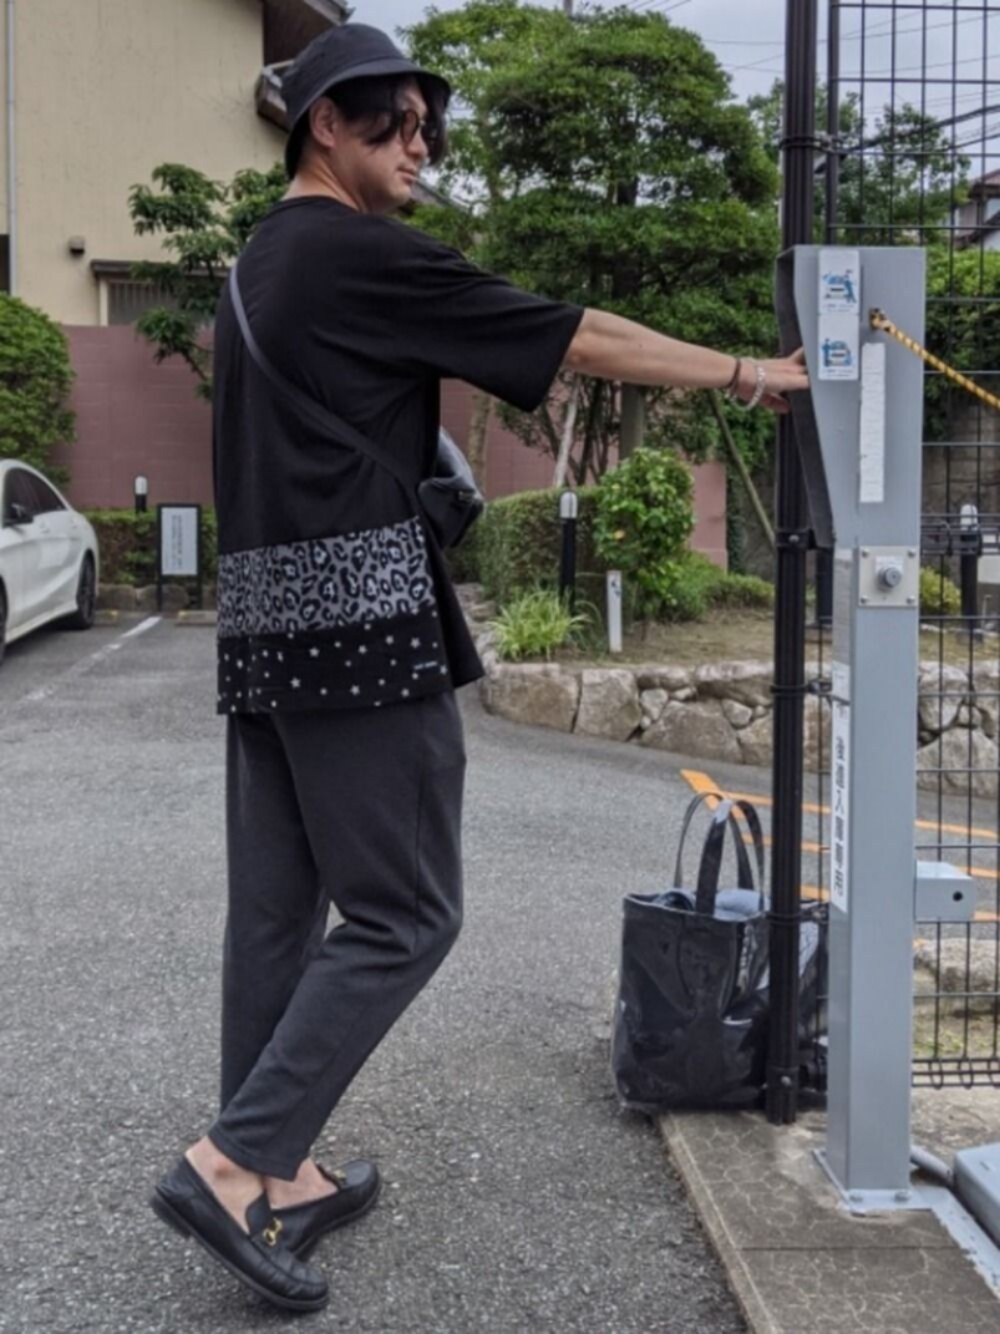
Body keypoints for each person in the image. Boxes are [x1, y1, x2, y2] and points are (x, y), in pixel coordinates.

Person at [150, 22, 809, 1314]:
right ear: (322, 123)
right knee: (407, 911)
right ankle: (230, 1164)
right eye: (391, 122)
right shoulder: (356, 251)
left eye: (426, 127)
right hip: (358, 628)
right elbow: (580, 336)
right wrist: (747, 372)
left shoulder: (260, 259)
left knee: (278, 912)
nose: (418, 147)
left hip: (266, 628)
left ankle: (274, 1165)